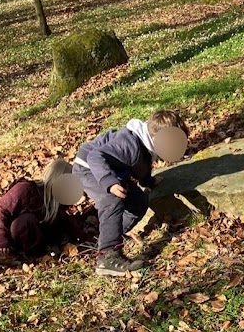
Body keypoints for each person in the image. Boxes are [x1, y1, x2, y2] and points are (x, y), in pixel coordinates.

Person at [72, 109, 188, 277]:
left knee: (138, 201)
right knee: (112, 199)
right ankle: (107, 256)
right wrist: (109, 182)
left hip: (110, 169)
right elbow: (95, 156)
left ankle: (111, 235)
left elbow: (142, 165)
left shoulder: (145, 146)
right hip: (89, 168)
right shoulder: (130, 145)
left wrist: (147, 181)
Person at [0, 159, 81, 259]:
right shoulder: (25, 189)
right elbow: (0, 210)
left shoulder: (56, 202)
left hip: (40, 236)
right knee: (26, 221)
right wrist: (1, 239)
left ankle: (47, 252)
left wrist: (82, 237)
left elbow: (65, 219)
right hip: (15, 238)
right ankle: (34, 256)